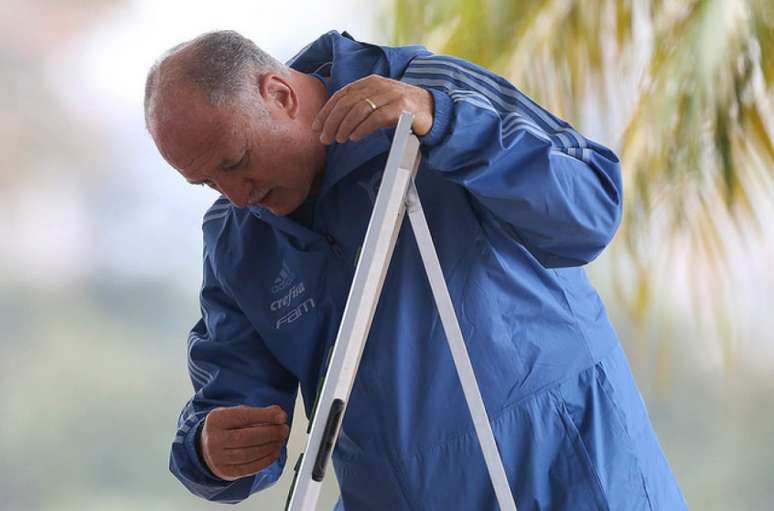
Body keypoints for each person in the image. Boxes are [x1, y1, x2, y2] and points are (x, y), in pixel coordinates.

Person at [144, 29, 687, 510]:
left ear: (279, 95)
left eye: (234, 162)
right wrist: (209, 452)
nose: (236, 197)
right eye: (208, 183)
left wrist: (449, 124)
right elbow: (235, 408)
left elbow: (591, 210)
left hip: (572, 482)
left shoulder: (428, 88)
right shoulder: (237, 241)